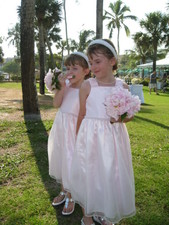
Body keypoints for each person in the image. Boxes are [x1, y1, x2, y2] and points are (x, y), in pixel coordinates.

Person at [70, 39, 136, 225]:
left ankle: (105, 212)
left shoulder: (122, 87)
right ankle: (87, 217)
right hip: (90, 138)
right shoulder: (88, 86)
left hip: (114, 139)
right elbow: (82, 114)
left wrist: (121, 118)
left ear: (112, 61)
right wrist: (77, 140)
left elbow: (129, 115)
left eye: (97, 62)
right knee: (89, 176)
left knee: (109, 175)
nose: (93, 67)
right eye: (91, 63)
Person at [48, 52, 90, 216]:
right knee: (61, 158)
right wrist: (62, 87)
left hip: (75, 129)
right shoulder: (65, 84)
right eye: (67, 67)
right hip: (61, 127)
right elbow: (56, 104)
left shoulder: (87, 88)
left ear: (86, 71)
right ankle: (64, 190)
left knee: (72, 160)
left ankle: (72, 196)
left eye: (75, 68)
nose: (70, 71)